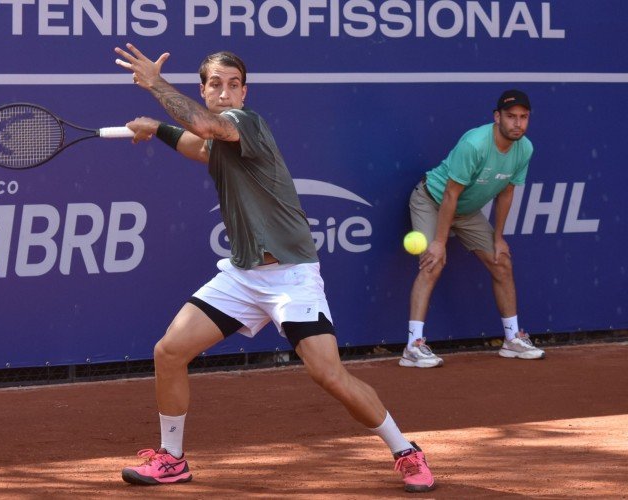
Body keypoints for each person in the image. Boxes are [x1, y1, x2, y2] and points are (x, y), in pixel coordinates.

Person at [113, 43, 435, 493]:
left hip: (291, 276)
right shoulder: (218, 138)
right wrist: (159, 129)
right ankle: (172, 459)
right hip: (244, 275)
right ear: (203, 89)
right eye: (215, 85)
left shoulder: (246, 124)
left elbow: (204, 127)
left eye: (233, 85)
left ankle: (405, 450)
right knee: (169, 352)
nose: (224, 93)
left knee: (328, 375)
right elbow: (198, 144)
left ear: (244, 93)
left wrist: (154, 85)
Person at [400, 90, 545, 369]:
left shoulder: (525, 148)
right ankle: (413, 346)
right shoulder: (475, 144)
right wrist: (439, 242)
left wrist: (499, 237)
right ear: (497, 117)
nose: (518, 123)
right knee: (434, 262)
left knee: (501, 262)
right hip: (432, 199)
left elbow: (505, 193)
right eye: (511, 117)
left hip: (466, 211)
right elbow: (450, 195)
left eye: (523, 117)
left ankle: (513, 339)